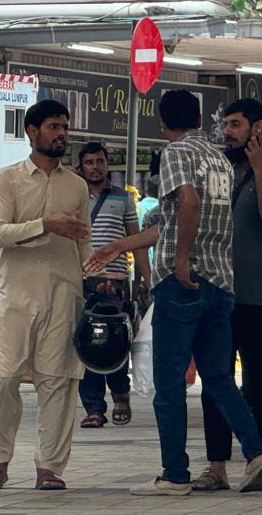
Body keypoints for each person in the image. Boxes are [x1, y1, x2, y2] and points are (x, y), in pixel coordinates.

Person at [130, 89, 262, 496]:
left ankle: (175, 473)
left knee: (170, 382)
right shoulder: (219, 158)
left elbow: (188, 203)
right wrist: (115, 247)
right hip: (220, 282)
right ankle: (257, 451)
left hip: (183, 283)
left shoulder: (176, 153)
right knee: (218, 377)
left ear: (162, 125)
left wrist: (179, 259)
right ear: (199, 119)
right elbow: (174, 217)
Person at [0, 99, 90, 492]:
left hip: (64, 293)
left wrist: (94, 280)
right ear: (32, 131)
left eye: (64, 127)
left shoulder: (76, 185)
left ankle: (50, 468)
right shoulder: (7, 179)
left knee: (57, 380)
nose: (61, 134)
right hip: (16, 296)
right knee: (4, 377)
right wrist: (46, 225)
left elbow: (83, 243)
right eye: (53, 126)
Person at [191, 98, 262, 492]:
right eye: (225, 124)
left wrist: (259, 169)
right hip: (217, 292)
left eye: (235, 124)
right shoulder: (217, 170)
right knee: (215, 380)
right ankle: (216, 466)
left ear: (257, 128)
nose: (227, 131)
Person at [76, 141, 150, 428]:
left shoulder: (123, 198)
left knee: (118, 342)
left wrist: (144, 279)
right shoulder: (74, 198)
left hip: (117, 284)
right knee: (87, 345)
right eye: (89, 162)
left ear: (107, 164)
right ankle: (94, 408)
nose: (95, 167)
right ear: (81, 167)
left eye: (100, 161)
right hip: (85, 283)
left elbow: (138, 241)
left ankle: (121, 395)